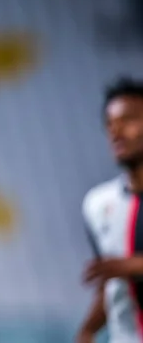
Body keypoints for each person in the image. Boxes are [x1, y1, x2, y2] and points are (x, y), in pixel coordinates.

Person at [79, 77, 143, 343]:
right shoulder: (98, 204)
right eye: (109, 124)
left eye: (127, 120)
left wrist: (131, 265)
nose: (115, 132)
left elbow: (122, 268)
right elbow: (112, 286)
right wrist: (88, 330)